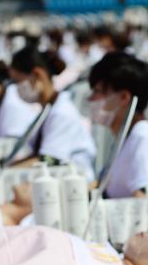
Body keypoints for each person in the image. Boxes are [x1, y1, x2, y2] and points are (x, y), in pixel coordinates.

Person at [87, 52, 148, 198]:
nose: (91, 99)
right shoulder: (125, 139)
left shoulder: (144, 138)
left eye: (98, 91)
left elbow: (146, 201)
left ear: (124, 98)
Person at [9, 46, 97, 175]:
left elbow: (49, 159)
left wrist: (6, 171)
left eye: (18, 81)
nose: (17, 88)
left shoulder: (61, 112)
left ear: (37, 74)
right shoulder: (49, 109)